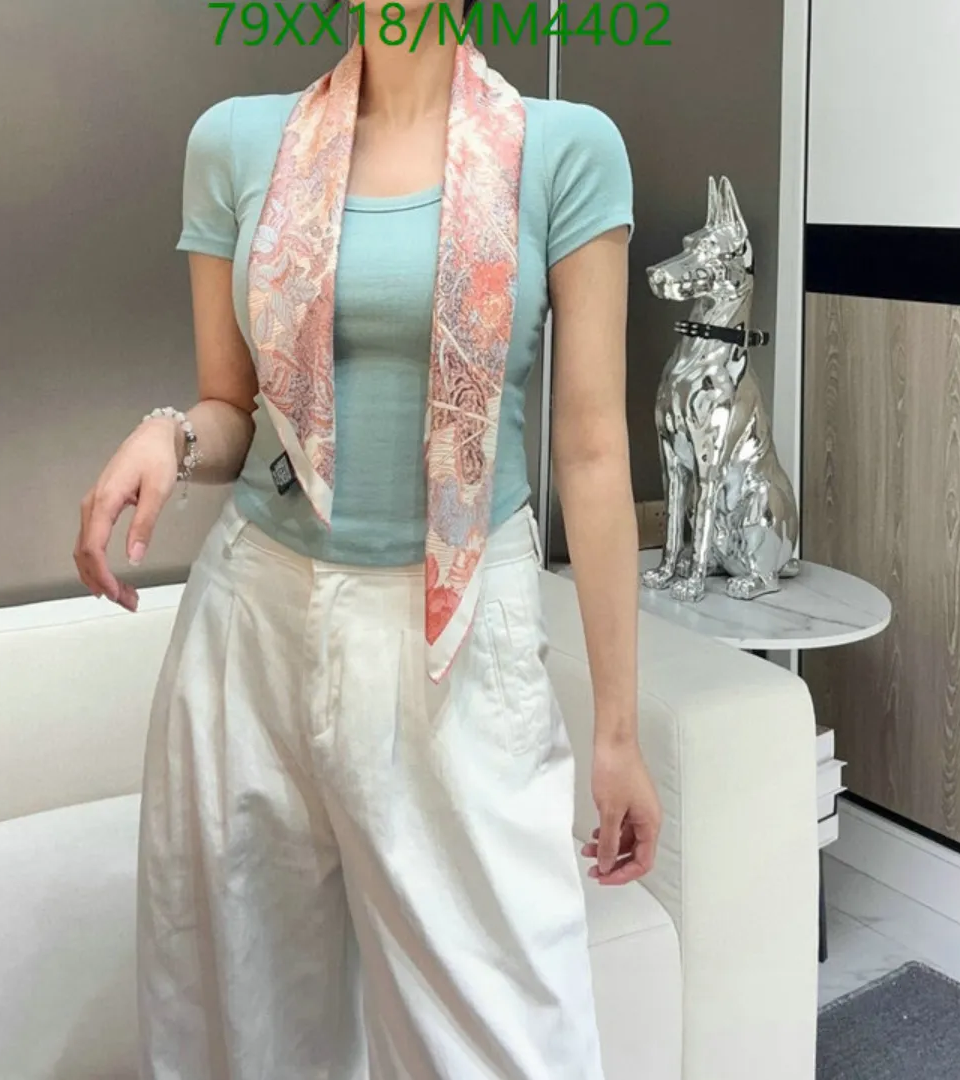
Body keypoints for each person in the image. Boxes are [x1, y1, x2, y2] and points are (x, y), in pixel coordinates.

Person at [74, 2, 661, 1076]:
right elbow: (231, 408)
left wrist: (617, 733)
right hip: (253, 628)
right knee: (237, 1028)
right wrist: (170, 437)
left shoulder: (564, 149)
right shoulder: (236, 142)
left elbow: (590, 452)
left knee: (503, 1040)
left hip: (460, 634)